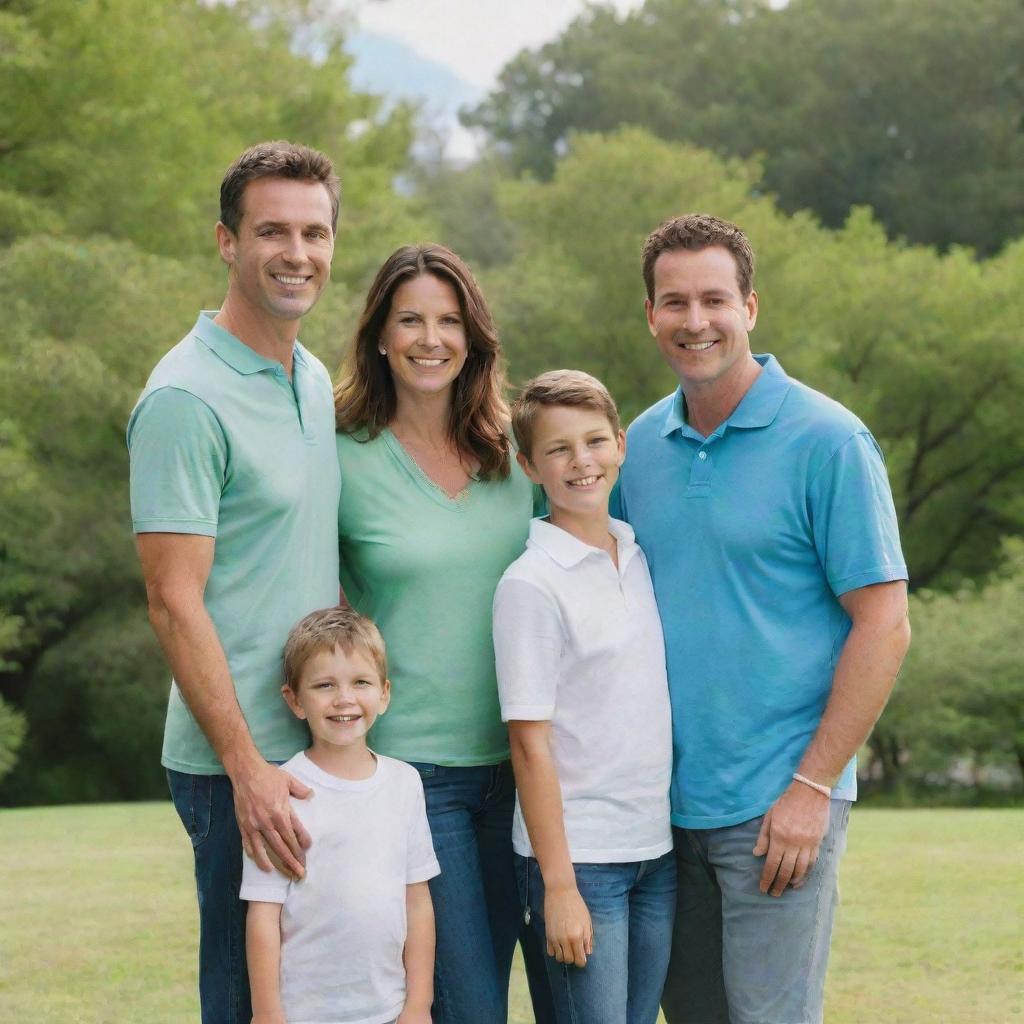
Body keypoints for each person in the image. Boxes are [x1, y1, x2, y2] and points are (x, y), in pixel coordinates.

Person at [616, 213, 912, 1024]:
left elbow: (884, 624)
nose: (695, 320)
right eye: (674, 302)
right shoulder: (635, 448)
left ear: (751, 306)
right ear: (650, 316)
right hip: (662, 812)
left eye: (715, 298)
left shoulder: (829, 441)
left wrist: (812, 787)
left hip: (779, 808)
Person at [127, 141, 342, 1023]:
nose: (298, 253)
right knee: (246, 995)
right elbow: (172, 599)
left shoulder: (313, 375)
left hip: (314, 744)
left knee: (321, 986)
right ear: (226, 241)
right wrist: (246, 766)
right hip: (235, 764)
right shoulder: (185, 397)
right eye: (272, 232)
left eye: (315, 232)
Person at [333, 244, 554, 1024]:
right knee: (464, 1006)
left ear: (474, 337)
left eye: (450, 321)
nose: (432, 339)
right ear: (381, 337)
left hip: (537, 775)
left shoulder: (518, 454)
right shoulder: (338, 455)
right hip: (418, 780)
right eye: (412, 320)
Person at [494, 370, 676, 1024]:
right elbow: (527, 743)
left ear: (621, 444)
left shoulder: (636, 554)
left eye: (595, 441)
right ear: (528, 466)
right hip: (579, 864)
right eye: (559, 450)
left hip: (653, 854)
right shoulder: (531, 584)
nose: (582, 462)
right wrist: (560, 886)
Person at [243, 606, 439, 1024]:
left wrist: (418, 1005)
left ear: (384, 693)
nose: (344, 699)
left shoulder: (404, 784)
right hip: (304, 1013)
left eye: (361, 682)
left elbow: (417, 902)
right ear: (294, 700)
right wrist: (266, 1014)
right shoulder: (282, 792)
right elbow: (263, 913)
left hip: (387, 1009)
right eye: (324, 685)